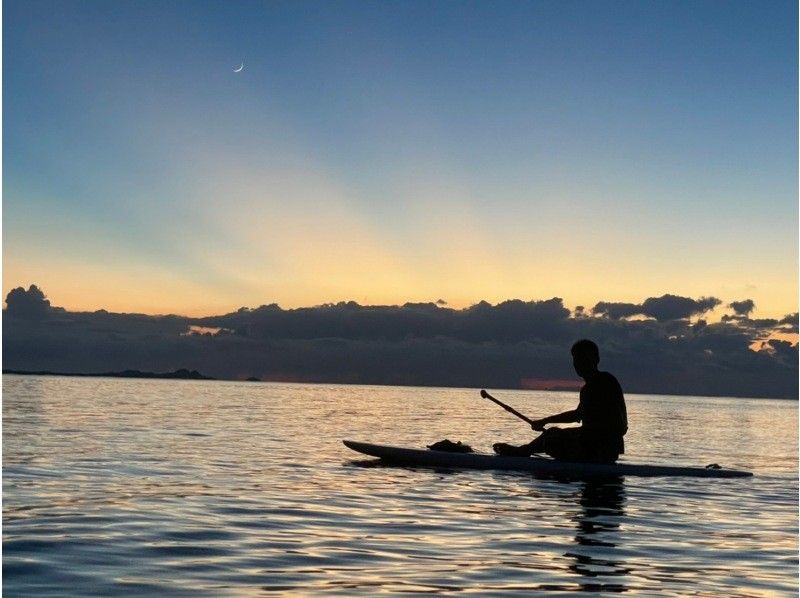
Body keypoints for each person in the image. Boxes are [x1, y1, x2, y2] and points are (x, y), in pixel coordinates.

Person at [493, 339, 627, 463]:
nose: (579, 364)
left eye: (584, 358)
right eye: (576, 360)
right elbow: (581, 415)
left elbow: (577, 415)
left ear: (596, 359)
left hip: (602, 449)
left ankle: (522, 452)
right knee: (552, 434)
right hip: (595, 443)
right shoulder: (590, 386)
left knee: (552, 440)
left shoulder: (604, 382)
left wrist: (545, 421)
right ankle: (524, 450)